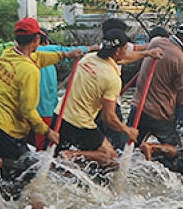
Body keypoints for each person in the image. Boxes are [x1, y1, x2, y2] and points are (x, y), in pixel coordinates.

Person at [0, 17, 57, 181]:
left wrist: (65, 55)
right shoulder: (30, 71)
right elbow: (27, 111)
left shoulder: (8, 53)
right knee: (30, 169)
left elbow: (38, 58)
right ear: (37, 39)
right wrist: (47, 131)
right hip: (5, 131)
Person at [57, 29, 136, 164]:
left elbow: (122, 59)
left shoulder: (88, 58)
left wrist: (147, 54)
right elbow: (108, 118)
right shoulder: (112, 79)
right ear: (118, 51)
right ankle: (72, 155)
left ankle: (74, 163)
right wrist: (127, 130)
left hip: (59, 114)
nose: (126, 52)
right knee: (111, 157)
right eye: (125, 49)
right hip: (80, 124)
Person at [134, 22, 183, 159]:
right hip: (159, 113)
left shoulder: (156, 43)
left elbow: (176, 53)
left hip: (138, 107)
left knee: (129, 150)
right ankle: (153, 147)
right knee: (179, 154)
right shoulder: (182, 63)